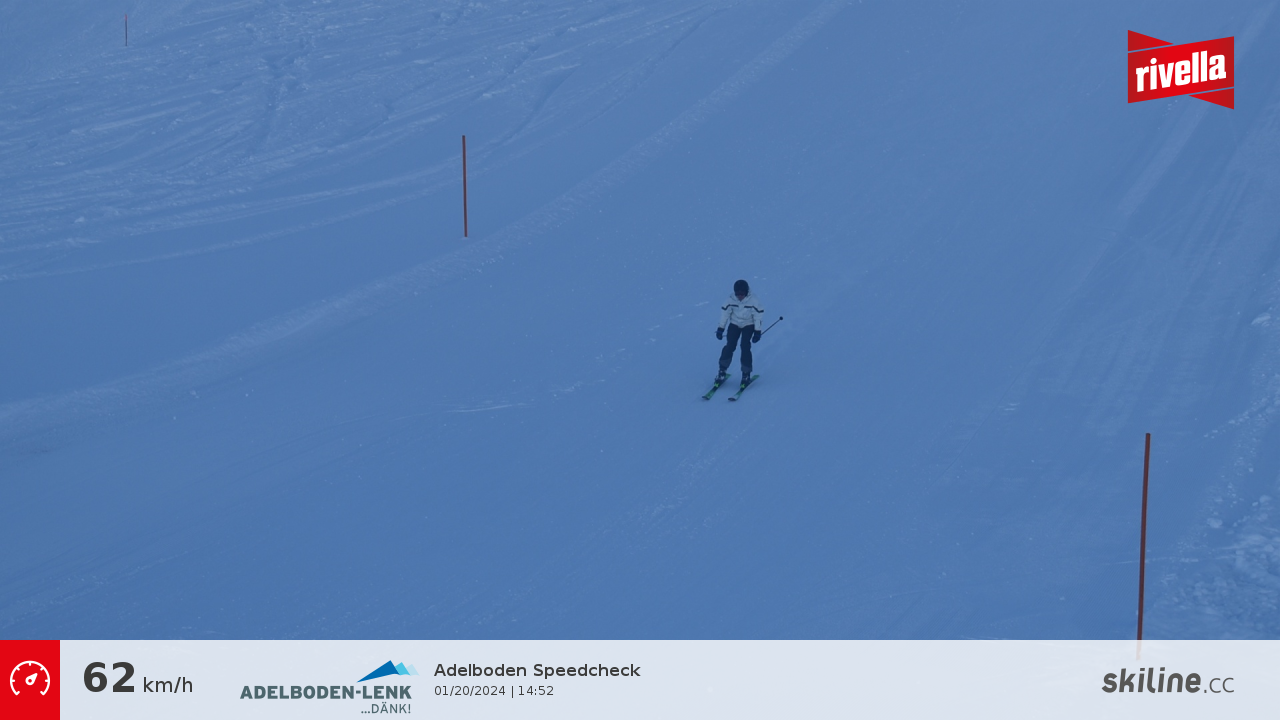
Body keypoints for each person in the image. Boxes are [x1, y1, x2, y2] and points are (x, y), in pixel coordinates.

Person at [716, 279, 764, 386]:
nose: (740, 296)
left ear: (747, 292)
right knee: (730, 346)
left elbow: (758, 316)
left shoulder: (754, 300)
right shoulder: (730, 300)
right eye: (737, 294)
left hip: (748, 324)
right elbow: (724, 315)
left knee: (745, 346)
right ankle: (722, 371)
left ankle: (746, 374)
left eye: (742, 294)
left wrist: (757, 331)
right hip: (734, 324)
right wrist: (721, 328)